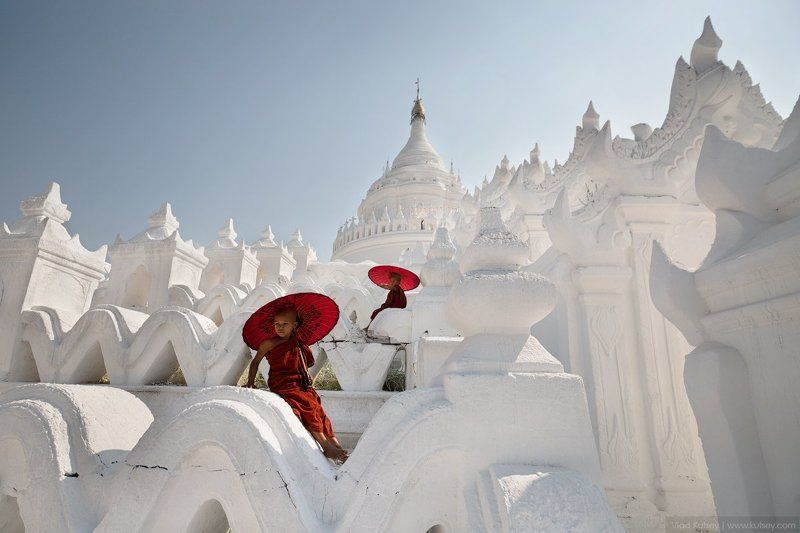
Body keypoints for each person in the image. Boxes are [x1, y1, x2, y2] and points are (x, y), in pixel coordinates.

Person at [244, 307, 349, 463]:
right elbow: (255, 362)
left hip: (300, 383)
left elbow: (302, 363)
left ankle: (335, 444)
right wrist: (250, 382)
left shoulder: (298, 343)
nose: (280, 327)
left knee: (317, 407)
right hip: (283, 383)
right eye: (276, 323)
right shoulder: (269, 343)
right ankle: (326, 446)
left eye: (285, 323)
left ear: (295, 325)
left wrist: (307, 377)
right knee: (307, 405)